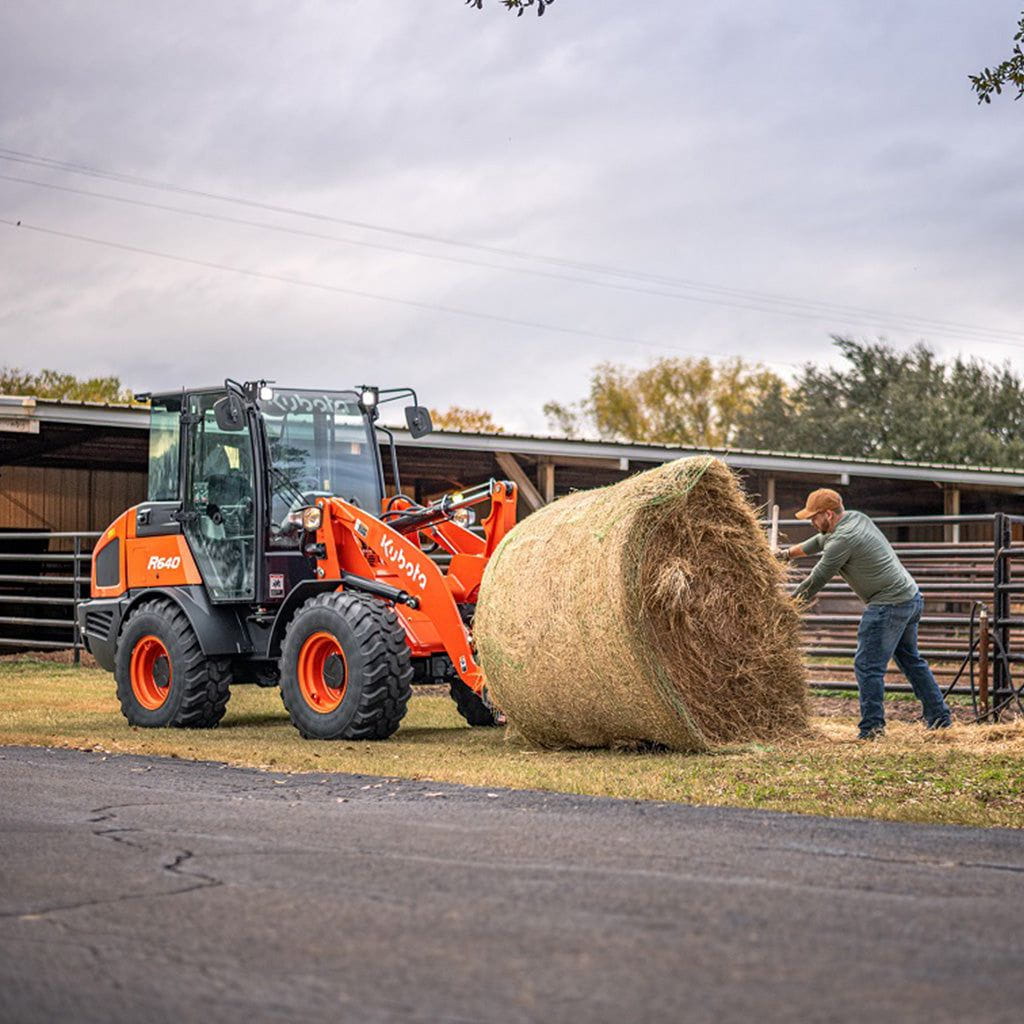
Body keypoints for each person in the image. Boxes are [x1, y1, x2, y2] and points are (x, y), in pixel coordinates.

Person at [779, 488, 952, 740]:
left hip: (888, 604)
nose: (812, 522)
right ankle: (939, 718)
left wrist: (787, 607)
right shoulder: (856, 518)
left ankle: (872, 728)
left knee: (867, 665)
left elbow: (817, 579)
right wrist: (785, 555)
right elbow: (818, 542)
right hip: (910, 597)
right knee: (911, 661)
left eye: (814, 517)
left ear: (829, 514)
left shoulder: (843, 539)